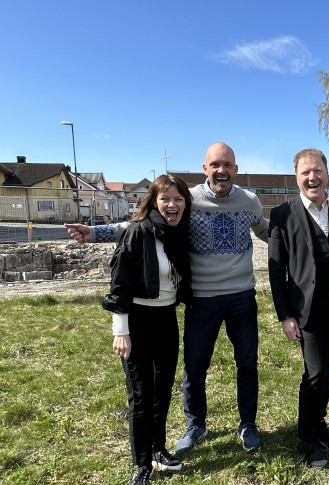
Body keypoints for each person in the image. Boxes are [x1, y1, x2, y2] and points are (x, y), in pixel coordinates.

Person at [67, 142, 269, 456]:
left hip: (242, 295)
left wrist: (303, 235)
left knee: (247, 363)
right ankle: (196, 424)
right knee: (195, 366)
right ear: (205, 169)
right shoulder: (189, 199)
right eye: (215, 164)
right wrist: (95, 232)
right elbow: (143, 224)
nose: (221, 170)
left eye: (227, 165)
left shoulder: (250, 202)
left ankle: (247, 424)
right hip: (202, 299)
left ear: (236, 169)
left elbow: (268, 232)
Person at [267, 148, 329, 470]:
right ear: (296, 177)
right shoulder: (283, 215)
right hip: (306, 311)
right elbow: (276, 271)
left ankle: (319, 421)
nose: (312, 177)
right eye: (305, 172)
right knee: (315, 373)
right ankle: (308, 439)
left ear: (327, 173)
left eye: (317, 170)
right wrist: (285, 315)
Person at [101, 174, 192, 485]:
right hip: (137, 320)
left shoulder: (177, 234)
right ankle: (141, 464)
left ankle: (159, 449)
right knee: (141, 394)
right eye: (166, 198)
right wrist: (121, 331)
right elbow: (120, 284)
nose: (172, 204)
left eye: (178, 199)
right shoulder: (138, 232)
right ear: (153, 201)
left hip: (166, 318)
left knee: (163, 389)